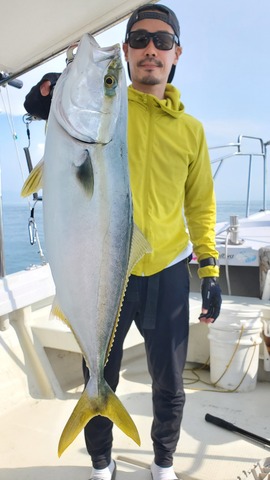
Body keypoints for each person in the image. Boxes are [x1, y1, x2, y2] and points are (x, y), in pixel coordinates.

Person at [23, 5, 222, 480]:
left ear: (177, 53)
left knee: (170, 384)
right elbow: (60, 119)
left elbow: (200, 206)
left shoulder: (191, 131)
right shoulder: (105, 106)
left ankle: (163, 463)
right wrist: (48, 96)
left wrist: (210, 267)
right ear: (128, 52)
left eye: (161, 40)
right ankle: (101, 463)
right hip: (107, 270)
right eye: (139, 40)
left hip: (169, 269)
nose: (150, 49)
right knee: (100, 376)